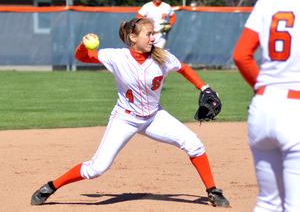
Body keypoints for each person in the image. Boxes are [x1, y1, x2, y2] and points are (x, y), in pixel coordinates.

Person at [31, 17, 229, 207]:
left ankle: (213, 191)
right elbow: (81, 57)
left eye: (153, 34)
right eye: (148, 34)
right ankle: (51, 186)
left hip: (154, 117)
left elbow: (184, 69)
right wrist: (83, 45)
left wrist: (204, 88)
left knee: (193, 143)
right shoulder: (117, 57)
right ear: (133, 38)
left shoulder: (163, 58)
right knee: (97, 168)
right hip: (125, 118)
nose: (153, 38)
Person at [233, 0, 300, 211]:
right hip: (295, 110)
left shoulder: (266, 2)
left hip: (262, 106)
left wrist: (264, 92)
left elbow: (241, 55)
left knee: (268, 203)